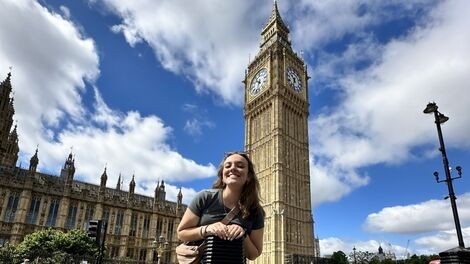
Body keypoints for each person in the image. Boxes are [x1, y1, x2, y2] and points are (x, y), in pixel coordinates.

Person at [177, 151, 265, 261]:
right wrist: (207, 229)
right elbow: (181, 234)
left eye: (240, 166)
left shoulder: (255, 211)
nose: (233, 168)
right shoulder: (205, 198)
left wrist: (243, 234)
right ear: (222, 175)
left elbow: (254, 254)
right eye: (228, 166)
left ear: (248, 176)